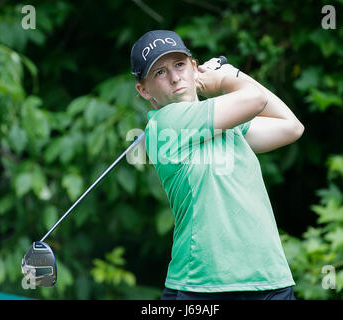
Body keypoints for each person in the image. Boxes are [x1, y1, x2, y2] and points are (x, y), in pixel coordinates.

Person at [130, 30, 304, 300]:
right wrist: (226, 77)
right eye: (160, 73)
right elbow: (255, 100)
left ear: (194, 68)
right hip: (204, 285)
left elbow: (291, 127)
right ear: (143, 90)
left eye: (179, 65)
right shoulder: (164, 124)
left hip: (269, 278)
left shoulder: (228, 124)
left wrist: (234, 75)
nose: (175, 77)